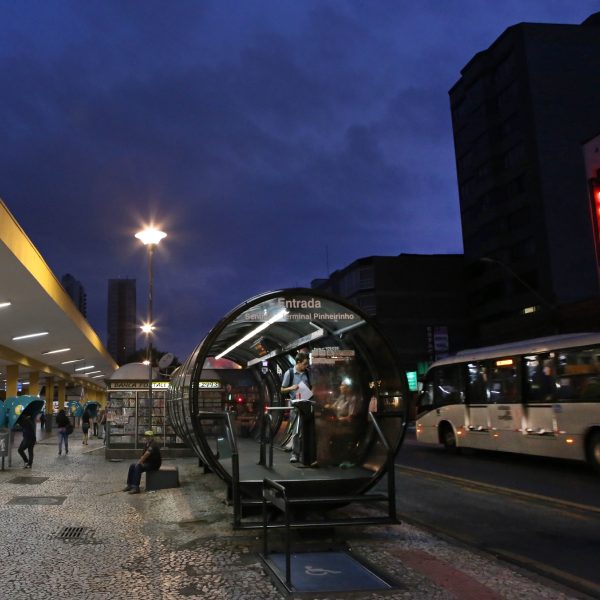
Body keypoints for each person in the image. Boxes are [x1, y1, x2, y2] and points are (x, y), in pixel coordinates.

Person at [280, 352, 315, 465]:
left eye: (307, 364)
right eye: (304, 364)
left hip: (307, 404)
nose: (306, 366)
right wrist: (292, 387)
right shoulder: (289, 373)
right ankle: (295, 454)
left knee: (307, 430)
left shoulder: (308, 373)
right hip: (296, 406)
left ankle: (307, 454)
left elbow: (312, 386)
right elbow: (282, 389)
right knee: (296, 431)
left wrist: (312, 392)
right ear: (298, 362)